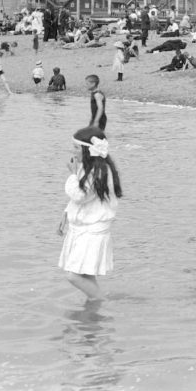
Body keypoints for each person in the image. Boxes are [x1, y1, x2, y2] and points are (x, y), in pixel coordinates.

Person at [58, 127, 122, 300]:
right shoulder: (89, 167)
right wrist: (66, 213)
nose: (72, 151)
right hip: (83, 226)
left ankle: (102, 301)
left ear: (87, 150)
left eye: (76, 147)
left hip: (93, 229)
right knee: (85, 275)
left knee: (73, 275)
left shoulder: (99, 171)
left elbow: (80, 195)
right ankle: (93, 312)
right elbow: (82, 198)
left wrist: (72, 174)